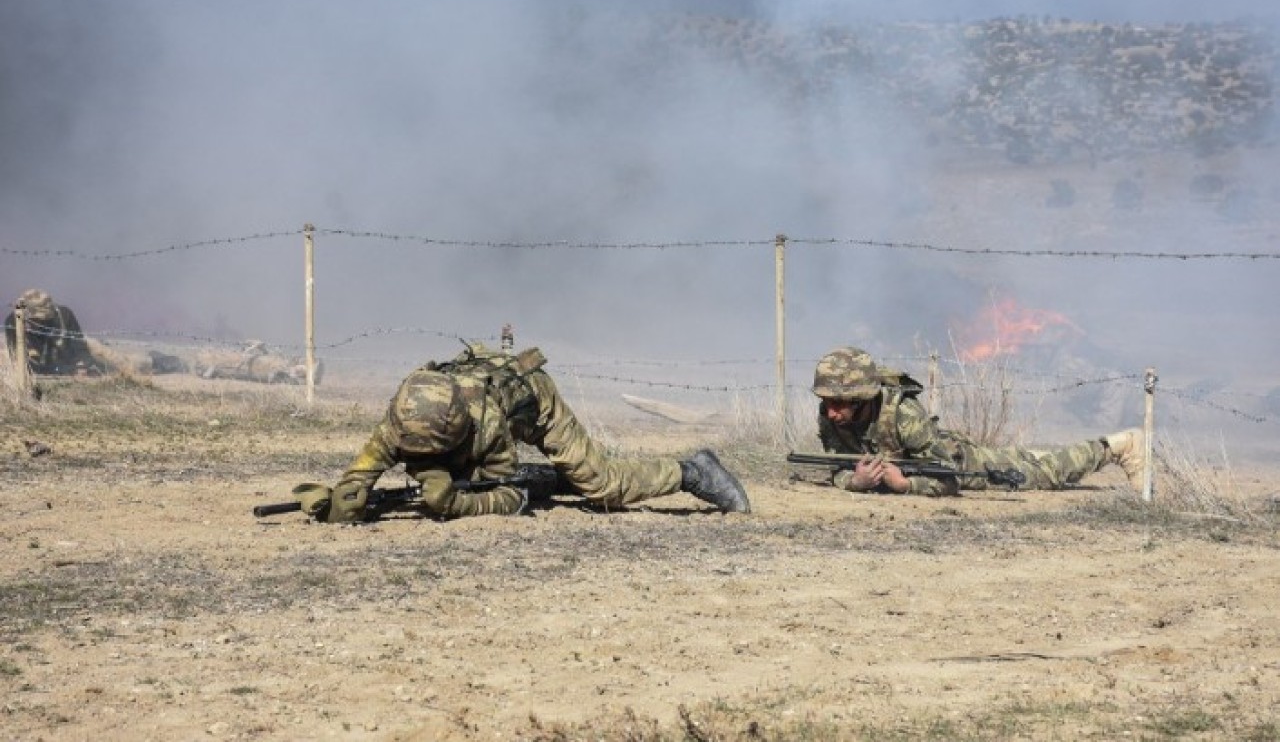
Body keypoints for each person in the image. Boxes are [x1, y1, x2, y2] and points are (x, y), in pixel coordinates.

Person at [302, 343, 751, 522]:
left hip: (532, 402)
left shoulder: (487, 424)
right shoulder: (406, 413)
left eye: (433, 452)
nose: (417, 458)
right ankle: (557, 481)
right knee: (476, 475)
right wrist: (339, 499)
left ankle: (691, 471)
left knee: (599, 485)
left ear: (458, 432)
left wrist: (461, 503)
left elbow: (513, 495)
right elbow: (361, 473)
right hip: (479, 409)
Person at [807, 346, 1147, 496]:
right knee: (1031, 458)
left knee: (1046, 473)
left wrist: (905, 485)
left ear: (863, 397)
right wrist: (856, 482)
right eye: (827, 402)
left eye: (840, 403)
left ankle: (1118, 445)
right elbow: (839, 468)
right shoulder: (830, 418)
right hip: (935, 460)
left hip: (962, 462)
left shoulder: (905, 417)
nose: (832, 413)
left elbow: (951, 479)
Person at [3, 289, 103, 375]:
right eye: (34, 321)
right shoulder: (14, 322)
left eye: (44, 322)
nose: (38, 325)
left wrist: (83, 364)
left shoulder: (64, 315)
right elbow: (24, 366)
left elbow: (81, 348)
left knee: (103, 367)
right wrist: (66, 370)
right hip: (48, 370)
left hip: (68, 363)